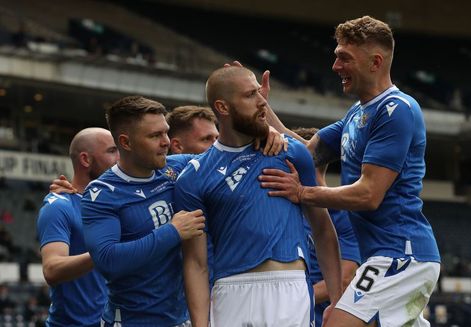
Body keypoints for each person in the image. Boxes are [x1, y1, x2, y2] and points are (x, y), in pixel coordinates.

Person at [259, 16, 441, 327]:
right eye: (336, 56)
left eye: (345, 58)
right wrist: (260, 111)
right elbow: (307, 153)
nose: (335, 66)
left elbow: (369, 195)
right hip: (383, 255)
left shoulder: (396, 111)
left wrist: (303, 193)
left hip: (401, 254)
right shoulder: (357, 113)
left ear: (375, 62)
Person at [175, 66, 342, 327]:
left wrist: (336, 300)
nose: (262, 100)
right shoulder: (193, 176)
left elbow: (322, 229)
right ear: (223, 107)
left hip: (290, 288)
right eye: (250, 95)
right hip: (230, 293)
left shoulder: (290, 152)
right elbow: (196, 263)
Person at [80, 96, 206, 326]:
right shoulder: (102, 194)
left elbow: (228, 157)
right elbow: (108, 260)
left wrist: (271, 131)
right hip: (133, 321)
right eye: (154, 135)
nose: (166, 141)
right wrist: (173, 232)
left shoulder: (177, 168)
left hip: (182, 319)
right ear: (126, 143)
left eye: (165, 132)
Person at [36, 127, 119, 326]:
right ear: (85, 160)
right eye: (111, 151)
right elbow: (52, 269)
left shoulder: (116, 203)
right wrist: (106, 252)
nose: (119, 158)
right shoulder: (59, 206)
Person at [293, 127, 361, 327]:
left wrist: (292, 300)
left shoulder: (343, 212)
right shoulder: (279, 204)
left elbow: (346, 277)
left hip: (319, 319)